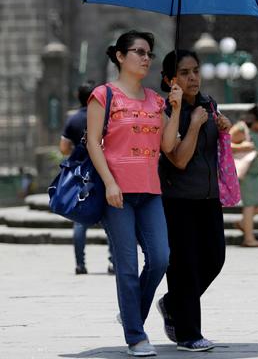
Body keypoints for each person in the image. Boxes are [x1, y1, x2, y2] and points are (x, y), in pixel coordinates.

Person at [86, 31, 182, 357]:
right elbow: (92, 142)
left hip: (150, 191)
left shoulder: (157, 100)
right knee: (126, 266)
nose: (145, 58)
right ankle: (135, 336)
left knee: (160, 258)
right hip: (118, 195)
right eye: (138, 52)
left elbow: (168, 146)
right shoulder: (103, 95)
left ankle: (130, 314)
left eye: (149, 54)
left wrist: (177, 108)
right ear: (120, 57)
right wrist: (110, 183)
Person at [156, 49, 232, 352]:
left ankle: (172, 303)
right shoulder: (164, 111)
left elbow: (214, 147)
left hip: (208, 196)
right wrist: (195, 124)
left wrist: (223, 125)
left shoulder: (208, 103)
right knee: (184, 267)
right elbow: (179, 159)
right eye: (184, 73)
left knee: (215, 258)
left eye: (196, 71)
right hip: (178, 199)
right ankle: (188, 334)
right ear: (169, 79)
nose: (192, 78)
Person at [59, 80, 114, 275]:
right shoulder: (106, 117)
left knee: (80, 220)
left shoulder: (73, 120)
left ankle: (80, 264)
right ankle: (113, 262)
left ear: (78, 97)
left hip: (81, 175)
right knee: (111, 219)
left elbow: (64, 148)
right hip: (104, 171)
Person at [230, 104, 258, 247]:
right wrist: (242, 147)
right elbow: (224, 144)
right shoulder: (242, 128)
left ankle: (244, 223)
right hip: (245, 173)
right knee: (249, 204)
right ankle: (249, 239)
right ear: (253, 118)